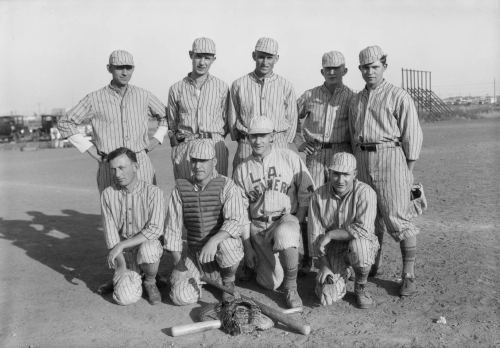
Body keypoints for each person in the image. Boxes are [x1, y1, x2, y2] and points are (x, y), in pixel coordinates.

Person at [349, 46, 423, 296]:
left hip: (390, 156)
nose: (370, 72)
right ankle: (373, 264)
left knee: (397, 216)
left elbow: (412, 134)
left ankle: (408, 275)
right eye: (365, 67)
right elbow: (351, 134)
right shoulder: (356, 99)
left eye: (375, 67)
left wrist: (407, 170)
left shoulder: (398, 95)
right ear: (359, 69)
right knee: (369, 216)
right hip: (361, 157)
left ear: (384, 67)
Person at [58, 50, 168, 194]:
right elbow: (65, 123)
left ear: (133, 68)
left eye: (128, 68)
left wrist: (154, 141)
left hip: (140, 164)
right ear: (109, 68)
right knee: (113, 211)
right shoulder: (94, 98)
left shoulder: (144, 95)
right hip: (109, 165)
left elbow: (167, 117)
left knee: (146, 209)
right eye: (119, 67)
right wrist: (92, 151)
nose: (124, 72)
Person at [232, 116, 314, 308]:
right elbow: (240, 212)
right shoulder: (242, 169)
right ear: (248, 137)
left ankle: (291, 288)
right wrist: (248, 247)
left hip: (284, 218)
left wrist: (296, 221)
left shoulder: (289, 157)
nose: (258, 141)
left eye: (263, 135)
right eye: (253, 136)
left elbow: (305, 192)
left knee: (286, 234)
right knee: (270, 283)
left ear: (272, 136)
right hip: (258, 226)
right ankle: (258, 262)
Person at [164, 139, 249, 305]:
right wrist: (179, 265)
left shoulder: (227, 185)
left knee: (229, 245)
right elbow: (171, 230)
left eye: (203, 161)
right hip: (195, 253)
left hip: (220, 250)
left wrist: (214, 240)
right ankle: (202, 279)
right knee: (180, 297)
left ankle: (228, 280)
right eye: (194, 160)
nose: (197, 166)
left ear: (214, 162)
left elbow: (236, 220)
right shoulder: (181, 188)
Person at [294, 51, 356, 276]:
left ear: (344, 71)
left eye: (336, 68)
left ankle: (341, 256)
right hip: (316, 155)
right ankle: (310, 257)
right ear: (322, 71)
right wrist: (299, 141)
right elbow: (290, 118)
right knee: (310, 203)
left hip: (341, 153)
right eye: (327, 68)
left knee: (341, 206)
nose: (331, 72)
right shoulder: (310, 95)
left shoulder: (352, 97)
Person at [309, 152, 379, 308]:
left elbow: (363, 230)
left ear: (355, 174)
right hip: (332, 250)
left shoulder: (366, 192)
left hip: (359, 244)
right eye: (336, 174)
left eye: (346, 174)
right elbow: (314, 236)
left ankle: (360, 286)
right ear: (329, 172)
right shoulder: (317, 196)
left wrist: (331, 234)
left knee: (360, 248)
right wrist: (325, 266)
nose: (340, 180)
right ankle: (345, 272)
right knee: (327, 294)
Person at [99, 147, 165, 305]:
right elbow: (111, 233)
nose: (117, 175)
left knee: (150, 250)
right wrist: (121, 266)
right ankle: (122, 277)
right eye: (114, 169)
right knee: (125, 299)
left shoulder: (154, 192)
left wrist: (122, 244)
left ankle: (150, 280)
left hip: (146, 248)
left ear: (135, 167)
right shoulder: (108, 194)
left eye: (122, 168)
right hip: (125, 255)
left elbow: (155, 229)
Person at [228, 37, 298, 171]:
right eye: (261, 57)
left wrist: (282, 141)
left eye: (269, 57)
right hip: (248, 143)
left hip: (277, 142)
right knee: (244, 185)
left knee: (279, 186)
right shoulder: (239, 85)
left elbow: (292, 120)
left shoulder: (285, 85)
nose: (265, 62)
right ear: (254, 56)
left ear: (276, 58)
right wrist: (244, 139)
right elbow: (233, 119)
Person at [167, 38, 231, 179]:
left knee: (217, 192)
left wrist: (213, 137)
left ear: (213, 59)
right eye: (198, 57)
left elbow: (227, 122)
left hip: (215, 146)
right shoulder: (176, 88)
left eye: (207, 58)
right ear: (191, 55)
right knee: (186, 193)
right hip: (186, 148)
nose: (202, 62)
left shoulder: (222, 87)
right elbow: (172, 122)